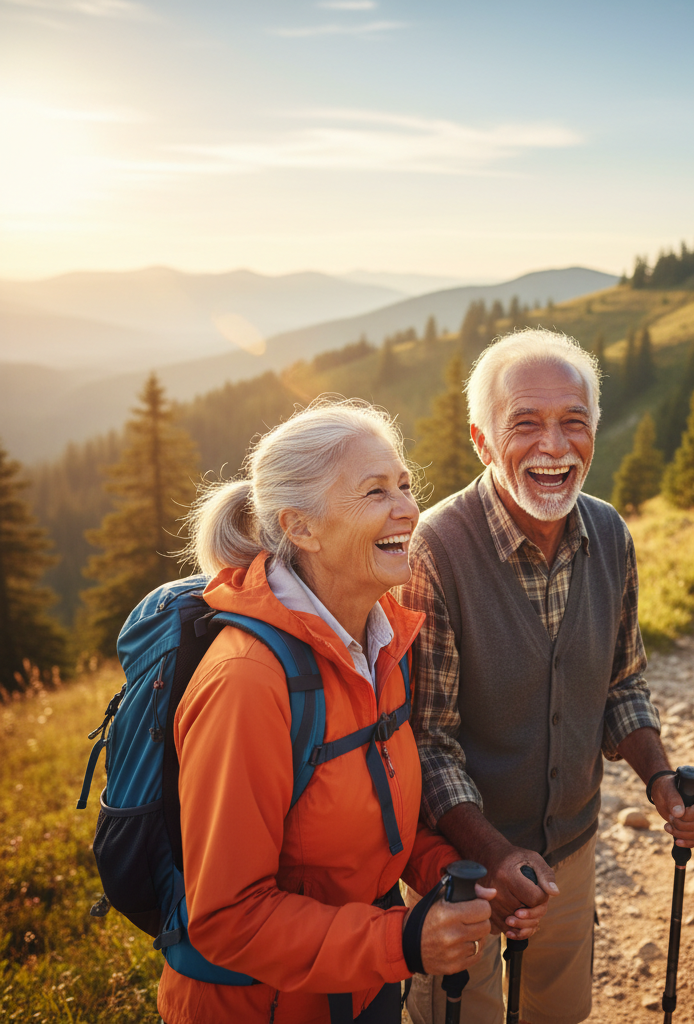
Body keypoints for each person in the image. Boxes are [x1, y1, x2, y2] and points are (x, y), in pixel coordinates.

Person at [158, 399, 542, 1024]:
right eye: (374, 493)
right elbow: (227, 918)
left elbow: (378, 824)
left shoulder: (380, 639)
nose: (409, 510)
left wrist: (464, 879)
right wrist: (402, 941)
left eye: (405, 485)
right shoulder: (247, 683)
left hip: (364, 990)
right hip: (264, 1007)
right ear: (301, 528)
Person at [400, 330, 694, 1024]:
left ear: (594, 434)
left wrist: (660, 777)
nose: (554, 447)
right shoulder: (434, 552)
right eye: (526, 424)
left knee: (559, 1014)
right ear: (483, 442)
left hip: (570, 848)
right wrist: (491, 853)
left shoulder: (610, 534)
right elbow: (427, 743)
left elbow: (622, 685)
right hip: (455, 867)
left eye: (574, 422)